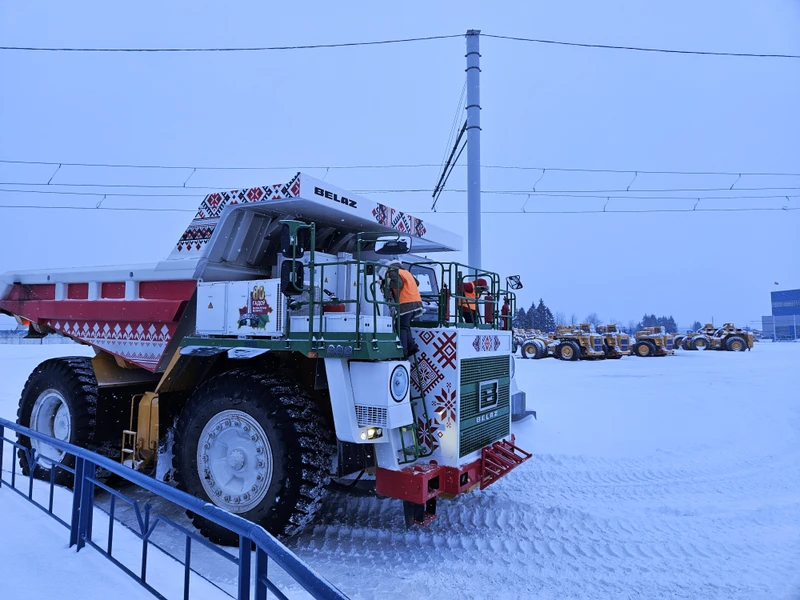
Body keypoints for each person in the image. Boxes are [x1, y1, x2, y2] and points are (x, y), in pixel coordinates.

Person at [381, 260, 422, 358]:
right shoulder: (406, 272)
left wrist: (385, 283)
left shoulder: (393, 271)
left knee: (401, 327)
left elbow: (398, 284)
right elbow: (417, 282)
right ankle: (411, 346)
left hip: (406, 303)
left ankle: (403, 351)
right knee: (405, 326)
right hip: (416, 303)